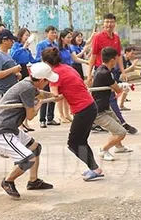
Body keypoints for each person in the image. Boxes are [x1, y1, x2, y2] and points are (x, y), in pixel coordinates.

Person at [0, 62, 60, 198]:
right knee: (28, 159)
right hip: (2, 131)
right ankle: (8, 181)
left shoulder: (28, 82)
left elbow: (40, 93)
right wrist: (39, 105)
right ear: (41, 80)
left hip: (11, 128)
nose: (47, 83)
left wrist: (53, 96)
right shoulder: (27, 88)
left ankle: (33, 181)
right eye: (47, 81)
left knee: (35, 147)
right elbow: (30, 115)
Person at [42, 47, 104, 182]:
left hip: (83, 109)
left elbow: (56, 96)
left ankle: (95, 169)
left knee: (73, 143)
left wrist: (39, 96)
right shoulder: (67, 67)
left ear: (46, 62)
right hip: (90, 106)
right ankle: (93, 167)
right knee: (81, 141)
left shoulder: (54, 75)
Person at [87, 14, 137, 135]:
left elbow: (119, 56)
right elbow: (93, 56)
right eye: (107, 22)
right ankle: (121, 123)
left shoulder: (116, 37)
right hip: (101, 71)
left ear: (115, 23)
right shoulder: (98, 37)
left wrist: (123, 71)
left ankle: (98, 122)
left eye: (111, 22)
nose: (109, 25)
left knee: (107, 99)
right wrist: (89, 75)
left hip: (112, 70)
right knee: (110, 97)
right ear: (103, 24)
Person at [92, 47, 133, 161]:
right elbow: (118, 90)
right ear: (112, 60)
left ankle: (119, 147)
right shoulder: (105, 73)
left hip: (105, 107)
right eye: (116, 59)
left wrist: (120, 85)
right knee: (121, 132)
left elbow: (114, 86)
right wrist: (122, 86)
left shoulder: (100, 69)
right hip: (98, 111)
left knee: (118, 124)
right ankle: (104, 149)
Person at [57, 29, 88, 123]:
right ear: (62, 38)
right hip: (60, 72)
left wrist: (86, 62)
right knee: (60, 95)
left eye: (71, 37)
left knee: (67, 94)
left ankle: (67, 114)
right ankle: (61, 115)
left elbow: (75, 58)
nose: (70, 39)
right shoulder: (57, 49)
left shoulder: (68, 48)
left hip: (68, 71)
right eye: (68, 37)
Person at [11, 28, 37, 132]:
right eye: (26, 35)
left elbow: (32, 60)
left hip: (26, 69)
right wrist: (23, 48)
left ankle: (26, 122)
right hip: (18, 69)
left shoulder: (27, 49)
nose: (27, 37)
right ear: (21, 35)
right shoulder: (16, 46)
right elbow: (13, 56)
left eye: (28, 35)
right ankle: (20, 124)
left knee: (28, 96)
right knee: (20, 96)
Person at [35, 25, 60, 128]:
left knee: (53, 93)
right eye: (52, 32)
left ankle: (50, 117)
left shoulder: (56, 45)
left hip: (53, 72)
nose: (54, 34)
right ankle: (42, 119)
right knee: (44, 95)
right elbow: (37, 58)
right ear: (47, 33)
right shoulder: (41, 45)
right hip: (44, 72)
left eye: (55, 32)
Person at [0, 29, 22, 106]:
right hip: (1, 93)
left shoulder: (7, 54)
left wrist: (16, 74)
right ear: (4, 40)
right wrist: (12, 70)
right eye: (11, 40)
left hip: (9, 91)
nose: (13, 42)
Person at [113, 47, 139, 111]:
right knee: (118, 91)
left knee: (126, 89)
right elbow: (121, 71)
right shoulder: (121, 59)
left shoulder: (127, 60)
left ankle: (121, 106)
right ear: (127, 52)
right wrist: (132, 66)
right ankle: (117, 106)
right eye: (132, 53)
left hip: (118, 78)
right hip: (114, 78)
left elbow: (132, 68)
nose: (133, 55)